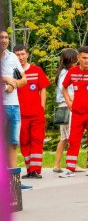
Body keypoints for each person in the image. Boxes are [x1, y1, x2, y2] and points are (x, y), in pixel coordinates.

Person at [59, 46, 88, 177]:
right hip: (77, 113)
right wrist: (69, 102)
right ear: (78, 58)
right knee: (73, 140)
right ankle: (70, 168)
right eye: (84, 58)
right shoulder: (73, 72)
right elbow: (63, 87)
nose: (87, 60)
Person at [14, 45, 50, 179]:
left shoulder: (36, 70)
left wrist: (42, 107)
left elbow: (43, 90)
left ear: (27, 54)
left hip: (36, 114)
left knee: (37, 140)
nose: (20, 57)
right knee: (24, 142)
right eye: (17, 55)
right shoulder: (15, 73)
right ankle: (29, 169)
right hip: (21, 114)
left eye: (22, 54)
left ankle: (35, 170)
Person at [1, 30, 27, 169]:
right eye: (1, 37)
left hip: (13, 106)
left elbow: (23, 79)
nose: (4, 40)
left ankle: (14, 181)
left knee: (12, 143)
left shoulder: (12, 57)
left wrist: (13, 84)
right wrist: (5, 78)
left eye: (6, 37)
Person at [53, 48, 78, 173]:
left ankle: (57, 164)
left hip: (63, 106)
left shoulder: (61, 72)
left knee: (64, 138)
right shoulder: (66, 73)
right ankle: (72, 164)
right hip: (69, 105)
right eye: (76, 59)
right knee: (72, 136)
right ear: (70, 60)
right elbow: (66, 90)